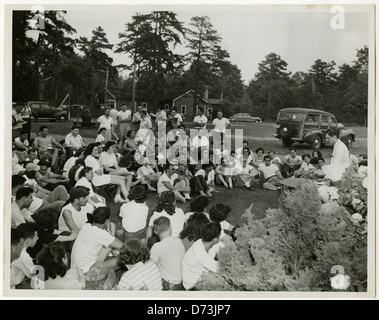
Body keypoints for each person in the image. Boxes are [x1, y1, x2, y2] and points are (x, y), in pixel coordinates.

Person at [70, 206, 124, 282]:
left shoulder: (86, 226)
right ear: (107, 221)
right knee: (123, 259)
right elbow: (123, 246)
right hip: (87, 274)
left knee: (109, 244)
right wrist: (108, 229)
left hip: (75, 271)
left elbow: (110, 240)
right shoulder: (101, 234)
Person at [181, 222, 221, 290]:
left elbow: (219, 245)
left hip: (199, 275)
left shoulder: (201, 242)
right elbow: (220, 268)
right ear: (215, 239)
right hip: (192, 285)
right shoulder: (201, 255)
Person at [150, 217, 186, 290]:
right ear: (170, 227)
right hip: (181, 283)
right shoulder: (178, 241)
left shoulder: (157, 247)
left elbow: (149, 268)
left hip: (168, 285)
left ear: (156, 232)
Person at [11, 223, 39, 288]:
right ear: (28, 241)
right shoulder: (24, 256)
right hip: (13, 286)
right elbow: (33, 274)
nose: (37, 239)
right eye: (36, 237)